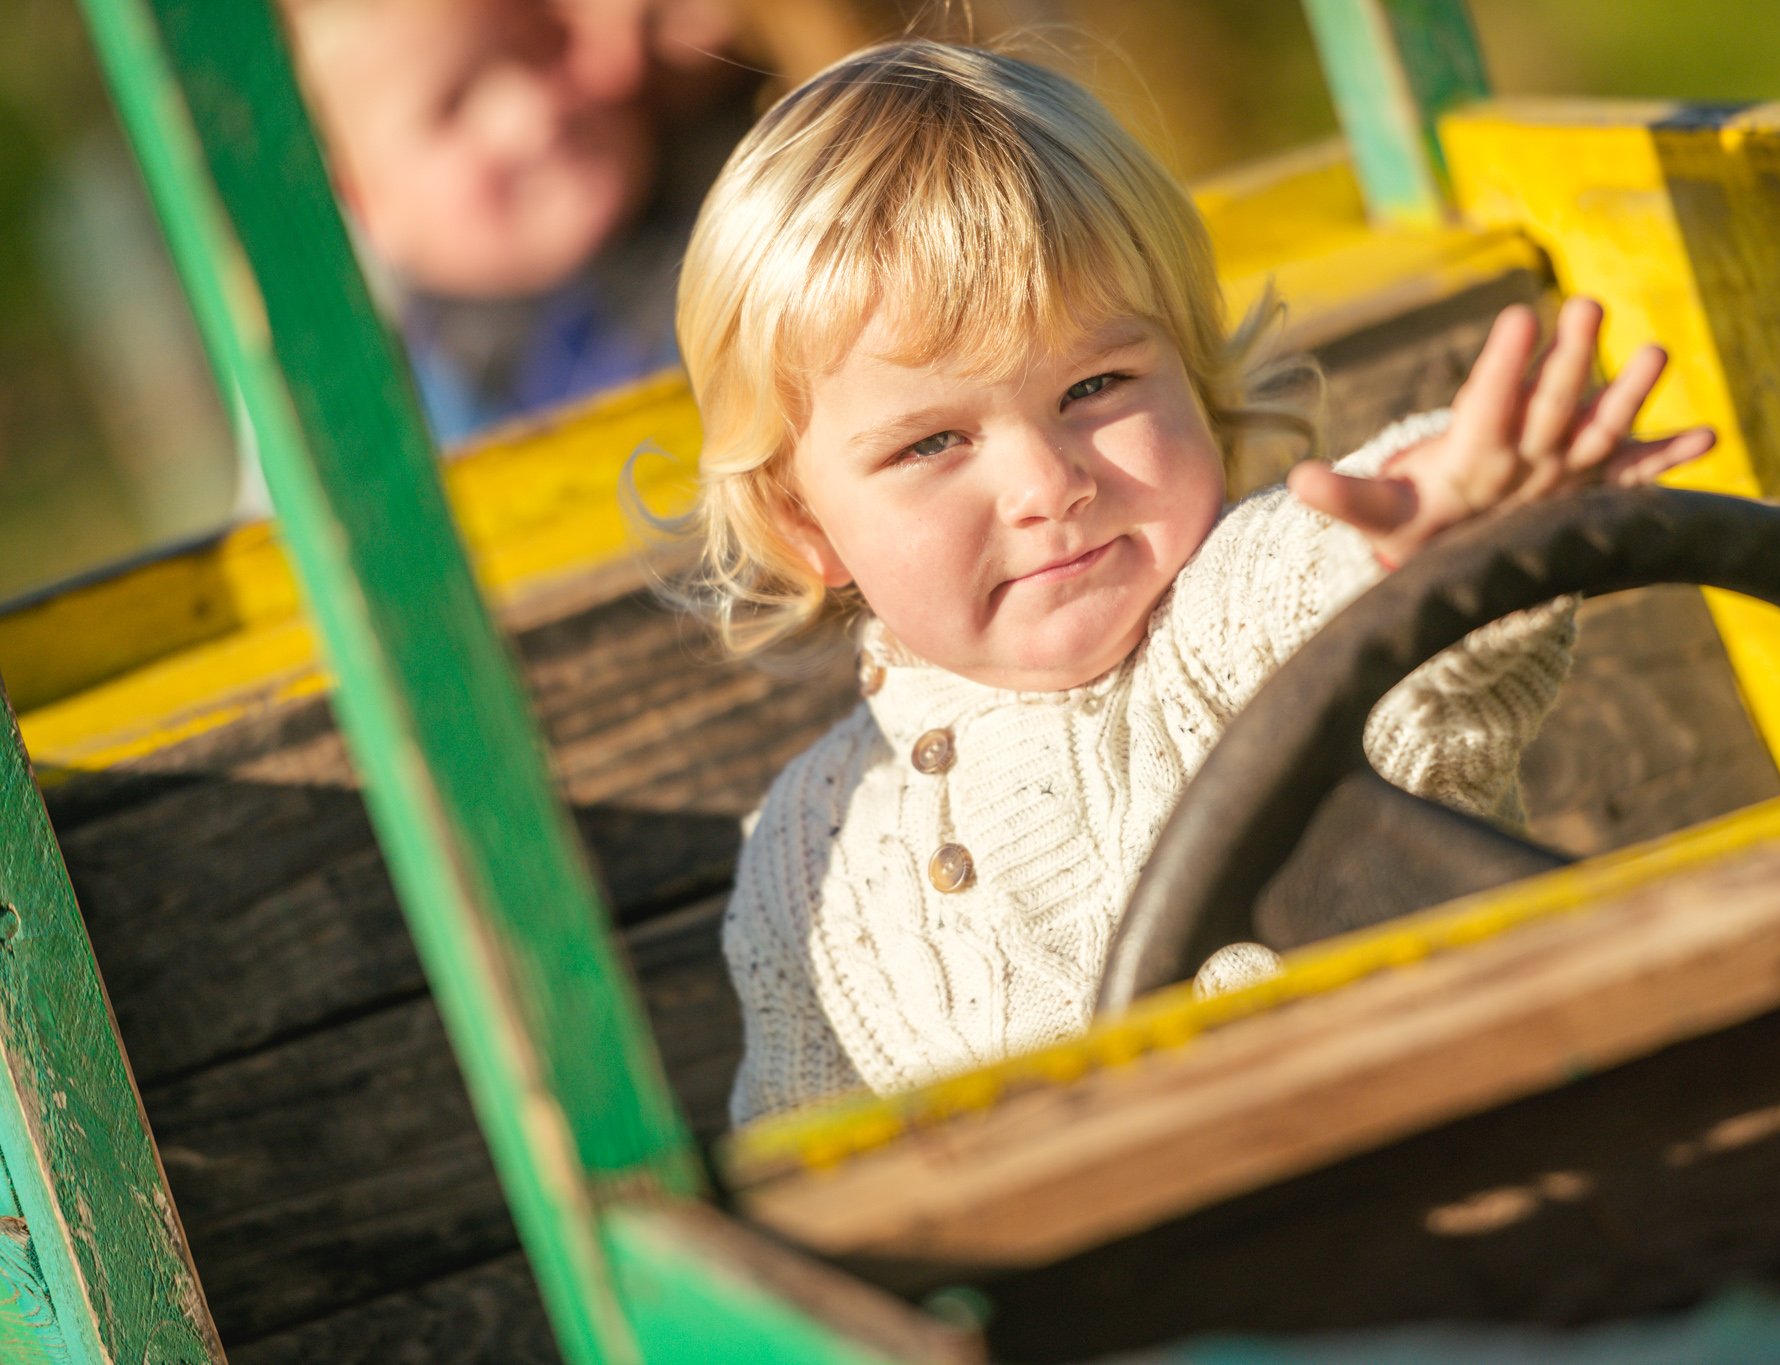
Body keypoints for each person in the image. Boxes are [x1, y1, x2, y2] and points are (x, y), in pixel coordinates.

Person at [662, 41, 1716, 1127]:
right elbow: (812, 1176)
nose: (1045, 484)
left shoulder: (1221, 632)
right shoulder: (804, 860)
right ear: (803, 526)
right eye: (930, 444)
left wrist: (1442, 524)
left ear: (1197, 386)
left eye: (1096, 384)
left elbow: (1331, 578)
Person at [283, 0, 758, 442]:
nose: (533, 110)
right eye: (452, 106)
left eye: (536, 46)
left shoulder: (755, 165)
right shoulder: (424, 429)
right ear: (365, 204)